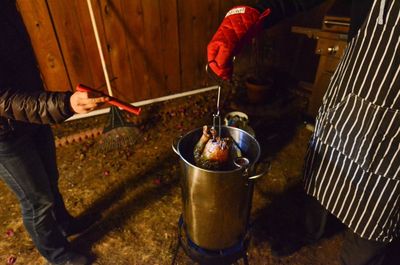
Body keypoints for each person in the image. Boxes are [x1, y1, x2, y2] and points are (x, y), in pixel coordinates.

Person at [207, 0, 400, 264]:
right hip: (355, 92)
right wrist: (252, 11)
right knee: (326, 172)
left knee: (375, 218)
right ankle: (310, 231)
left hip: (395, 139)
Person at [0, 1, 109, 265]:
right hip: (4, 133)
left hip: (32, 117)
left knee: (50, 179)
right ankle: (57, 254)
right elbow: (4, 100)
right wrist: (64, 104)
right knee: (37, 200)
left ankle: (65, 224)